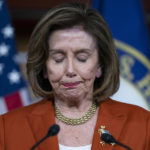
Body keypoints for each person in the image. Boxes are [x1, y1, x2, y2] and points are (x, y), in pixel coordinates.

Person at [0, 2, 150, 150]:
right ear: (44, 67)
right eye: (58, 59)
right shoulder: (7, 129)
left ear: (100, 66)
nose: (70, 70)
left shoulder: (143, 125)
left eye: (82, 58)